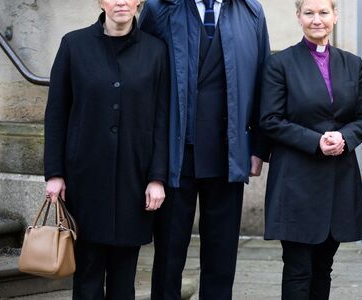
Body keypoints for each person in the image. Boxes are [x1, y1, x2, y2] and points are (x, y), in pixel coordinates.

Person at [138, 0, 271, 298]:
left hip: (228, 154)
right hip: (175, 155)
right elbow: (141, 74)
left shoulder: (251, 12)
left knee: (222, 259)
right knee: (168, 256)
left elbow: (263, 79)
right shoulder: (160, 8)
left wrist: (259, 147)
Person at [43, 0, 169, 298]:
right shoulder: (74, 45)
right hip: (86, 178)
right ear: (101, 2)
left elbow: (162, 120)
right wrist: (55, 173)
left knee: (124, 279)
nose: (121, 2)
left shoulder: (156, 51)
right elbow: (56, 113)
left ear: (139, 1)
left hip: (134, 179)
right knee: (87, 275)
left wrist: (157, 177)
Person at [259, 0, 362, 298]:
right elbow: (270, 119)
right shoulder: (280, 63)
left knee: (324, 267)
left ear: (335, 16)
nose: (317, 20)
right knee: (298, 269)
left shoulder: (353, 64)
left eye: (324, 12)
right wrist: (316, 141)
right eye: (309, 13)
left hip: (338, 179)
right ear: (298, 17)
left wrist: (345, 137)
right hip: (295, 180)